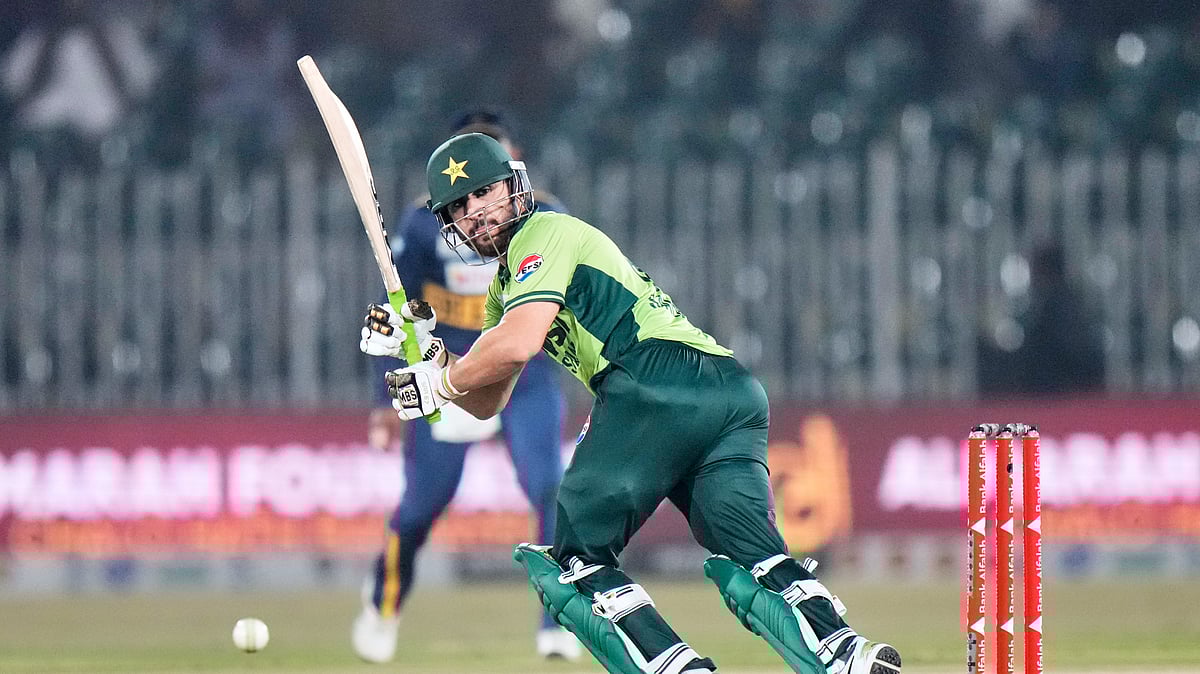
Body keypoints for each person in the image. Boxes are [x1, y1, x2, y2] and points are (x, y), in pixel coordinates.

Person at [361, 132, 902, 674]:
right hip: (728, 392)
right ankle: (846, 653)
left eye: (484, 193)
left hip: (650, 381)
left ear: (513, 186)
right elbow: (491, 399)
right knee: (751, 551)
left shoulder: (542, 231)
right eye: (459, 206)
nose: (475, 212)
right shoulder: (506, 284)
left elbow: (518, 342)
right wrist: (432, 357)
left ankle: (674, 667)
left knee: (573, 559)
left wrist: (445, 380)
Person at [352, 111, 580, 663]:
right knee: (424, 504)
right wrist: (386, 400)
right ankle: (384, 604)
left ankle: (558, 621)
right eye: (467, 191)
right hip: (447, 372)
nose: (481, 206)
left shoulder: (548, 218)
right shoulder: (424, 225)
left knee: (551, 488)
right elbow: (393, 312)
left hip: (523, 374)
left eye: (493, 181)